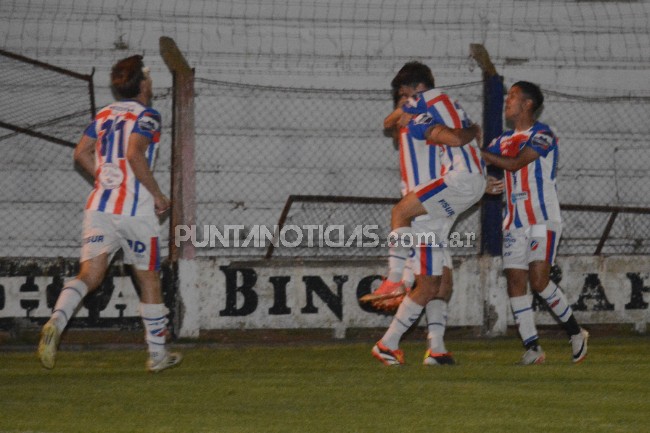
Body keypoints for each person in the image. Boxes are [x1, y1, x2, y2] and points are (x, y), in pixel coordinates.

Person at [38, 55, 182, 372]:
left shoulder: (103, 115)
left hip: (100, 207)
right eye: (148, 76)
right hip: (135, 212)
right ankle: (157, 354)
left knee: (89, 274)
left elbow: (81, 153)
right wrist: (157, 194)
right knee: (148, 279)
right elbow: (134, 154)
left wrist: (104, 179)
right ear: (143, 84)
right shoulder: (148, 115)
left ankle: (56, 322)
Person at [361, 61, 486, 366]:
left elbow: (394, 121)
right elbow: (390, 122)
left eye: (405, 95)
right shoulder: (419, 117)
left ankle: (434, 346)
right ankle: (398, 294)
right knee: (432, 282)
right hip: (426, 204)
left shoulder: (424, 114)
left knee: (441, 283)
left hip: (439, 200)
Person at [481, 81, 588, 364]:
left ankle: (576, 333)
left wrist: (478, 152)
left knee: (539, 281)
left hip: (542, 218)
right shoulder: (500, 140)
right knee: (515, 282)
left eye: (513, 96)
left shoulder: (543, 135)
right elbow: (482, 167)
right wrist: (483, 182)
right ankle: (533, 347)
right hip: (515, 222)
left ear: (528, 104)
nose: (507, 101)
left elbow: (516, 163)